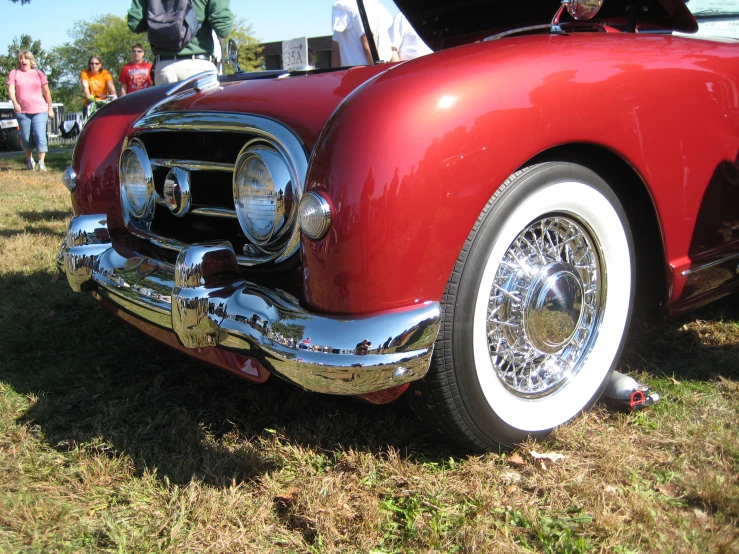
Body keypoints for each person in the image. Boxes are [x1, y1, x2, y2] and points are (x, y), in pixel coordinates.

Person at [127, 0, 234, 85]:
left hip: (164, 70)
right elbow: (223, 29)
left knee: (169, 113)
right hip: (199, 69)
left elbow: (135, 23)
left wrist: (162, 25)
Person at [7, 50, 54, 172]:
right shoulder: (14, 73)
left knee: (39, 134)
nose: (23, 61)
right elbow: (11, 90)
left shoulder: (39, 73)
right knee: (26, 137)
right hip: (23, 111)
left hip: (40, 110)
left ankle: (41, 162)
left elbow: (47, 92)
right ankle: (30, 160)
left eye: (26, 58)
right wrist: (15, 102)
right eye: (21, 59)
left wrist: (50, 108)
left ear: (30, 61)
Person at [331, 0, 393, 67]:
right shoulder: (365, 8)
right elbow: (368, 46)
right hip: (371, 73)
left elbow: (336, 52)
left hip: (350, 74)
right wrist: (380, 69)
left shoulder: (341, 12)